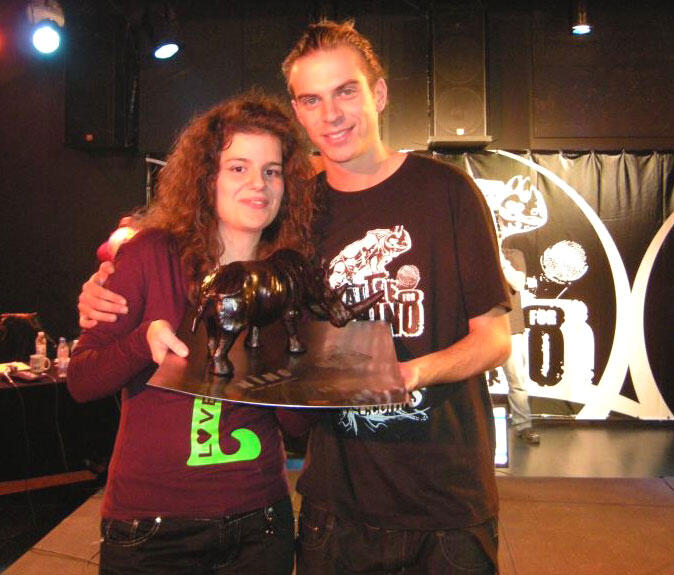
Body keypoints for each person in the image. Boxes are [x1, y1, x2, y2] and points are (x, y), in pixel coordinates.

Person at [78, 19, 512, 574]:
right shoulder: (297, 216)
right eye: (311, 99)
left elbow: (495, 340)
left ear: (379, 94)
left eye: (346, 91)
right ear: (298, 112)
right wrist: (110, 285)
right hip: (335, 504)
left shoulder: (445, 191)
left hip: (444, 500)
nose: (331, 114)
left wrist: (410, 374)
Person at [68, 92, 316, 574]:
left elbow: (298, 429)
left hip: (259, 522)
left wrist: (294, 373)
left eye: (272, 171)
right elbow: (81, 381)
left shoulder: (286, 278)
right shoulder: (150, 254)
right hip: (151, 528)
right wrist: (142, 341)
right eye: (238, 168)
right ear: (207, 178)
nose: (258, 184)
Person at [500, 247, 540, 445]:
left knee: (517, 380)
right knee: (473, 382)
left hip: (512, 328)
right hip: (483, 328)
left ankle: (523, 425)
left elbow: (517, 283)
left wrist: (500, 260)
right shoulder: (477, 254)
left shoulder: (514, 255)